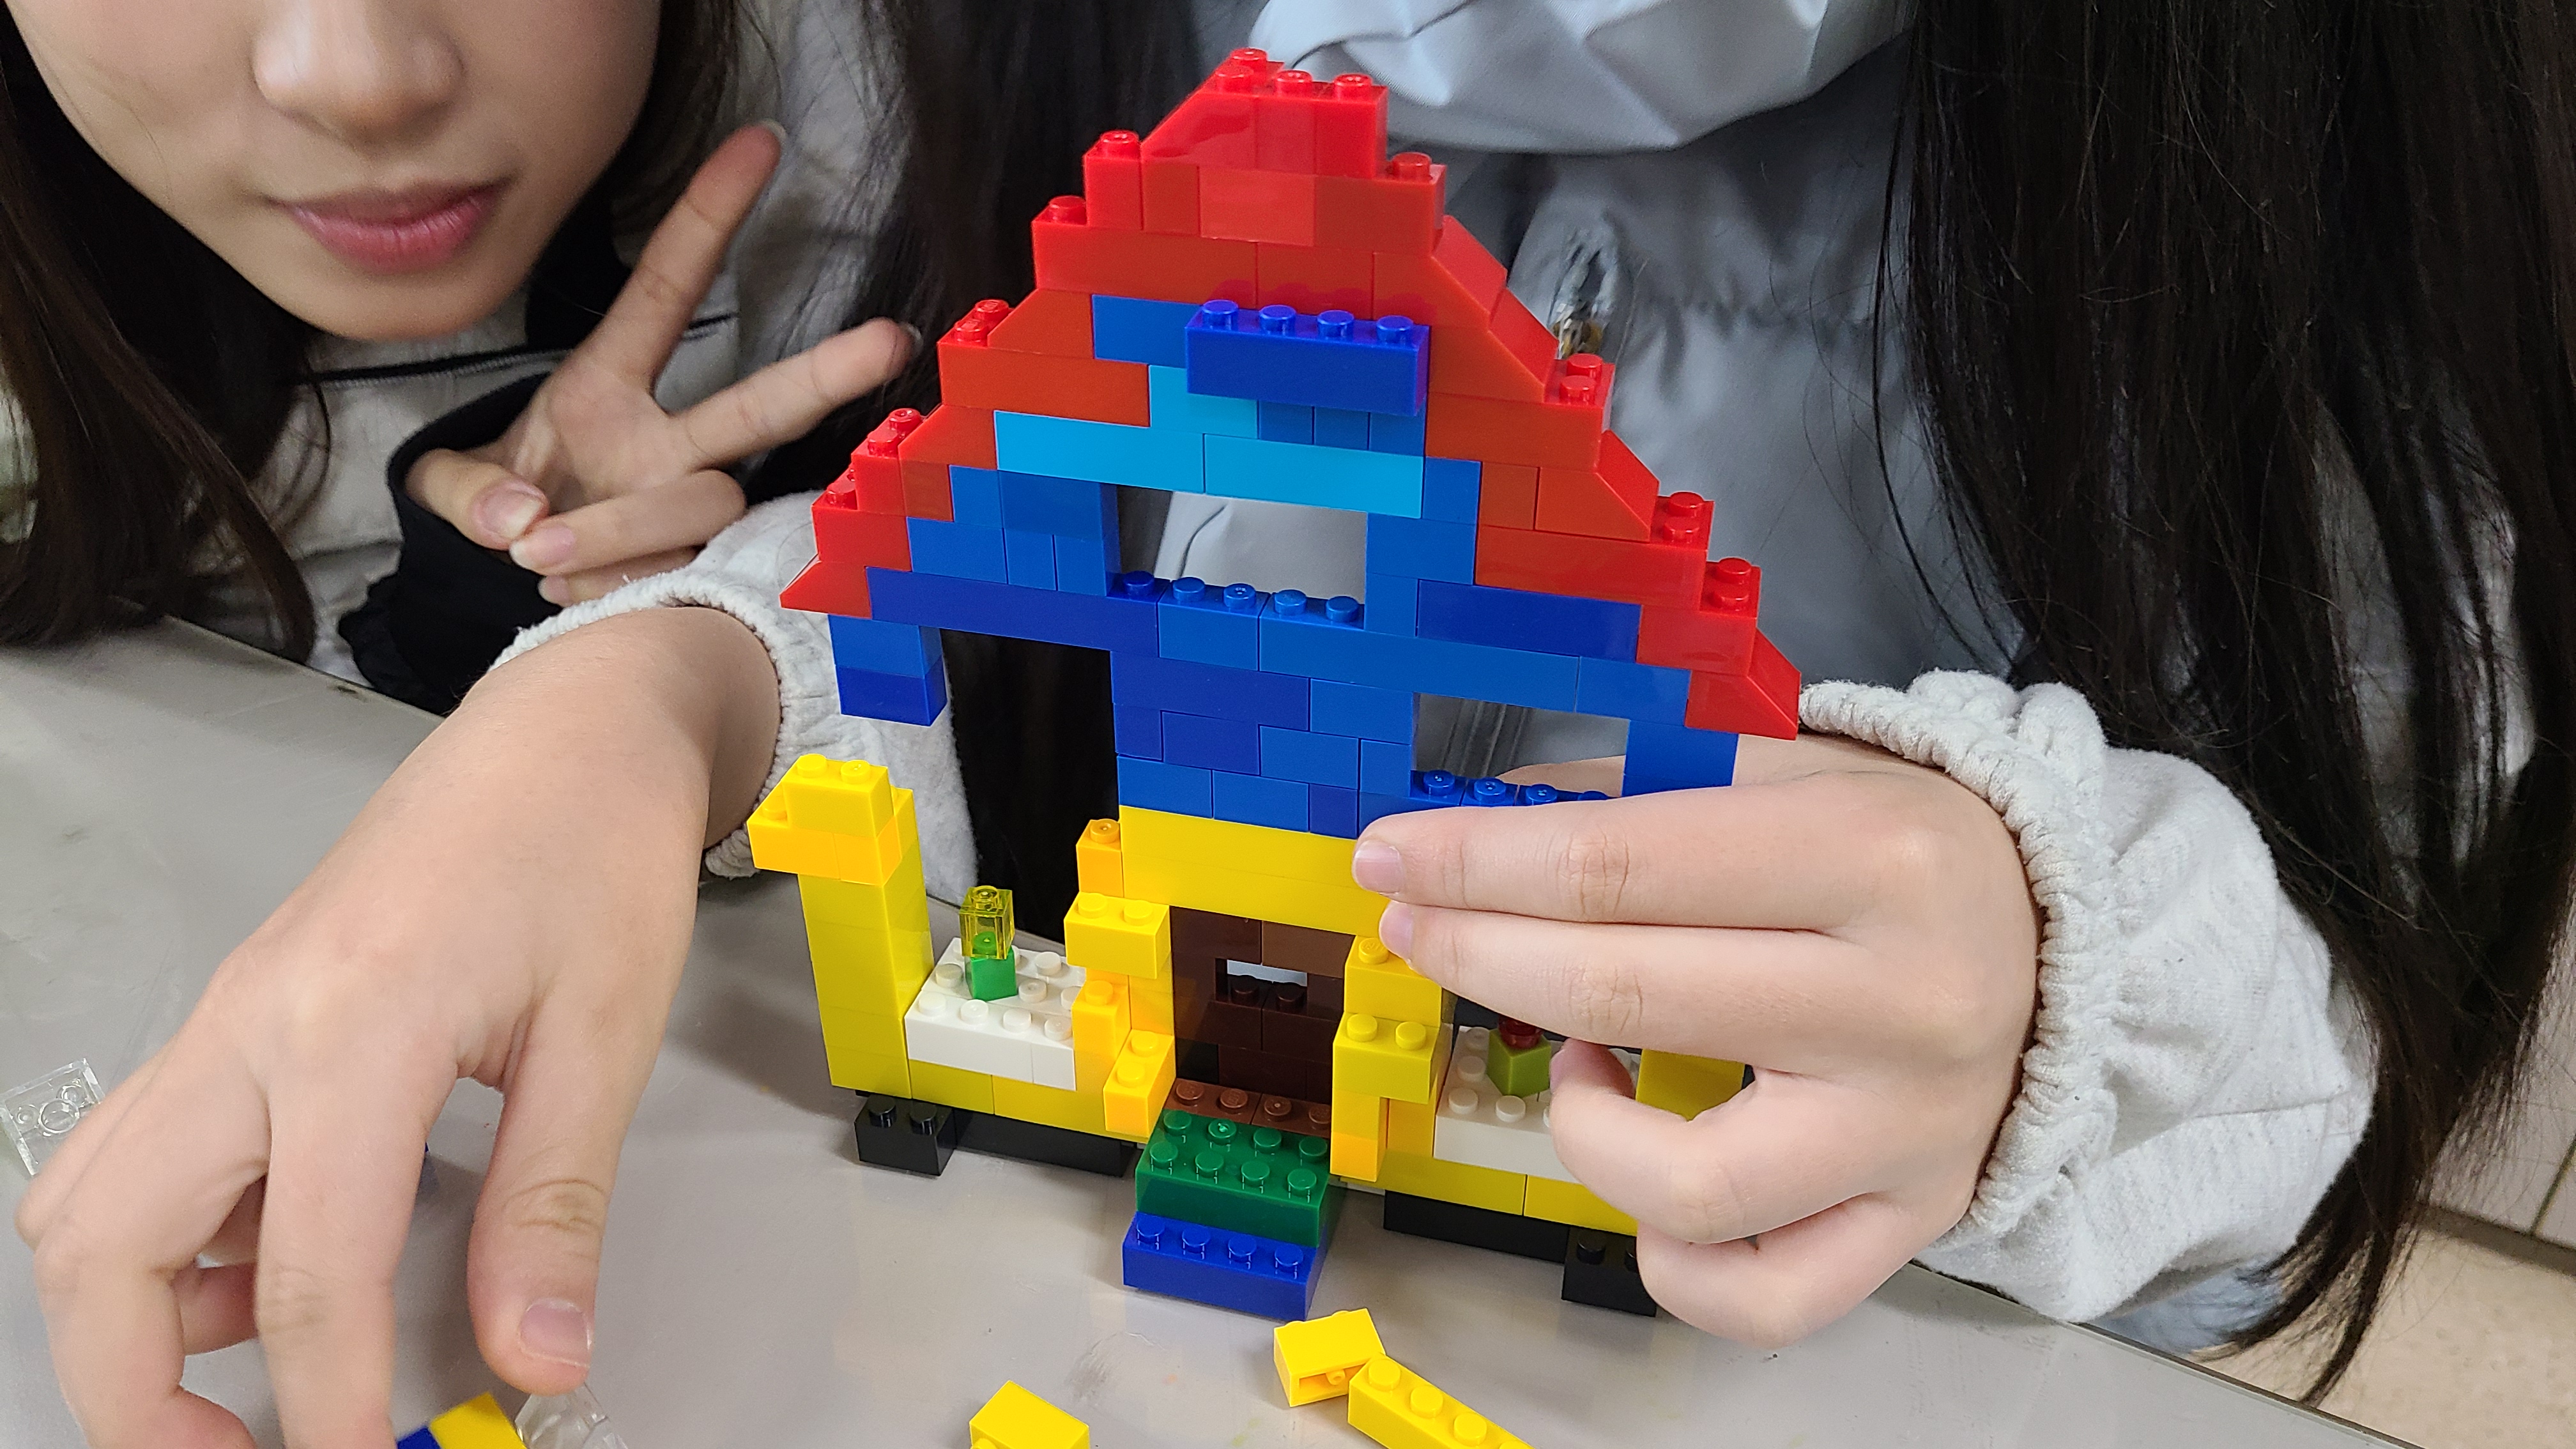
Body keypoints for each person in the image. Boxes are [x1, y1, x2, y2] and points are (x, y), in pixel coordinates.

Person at [10, 1, 2571, 1445]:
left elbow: (2326, 1025)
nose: (351, 64)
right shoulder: (956, 73)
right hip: (1125, 1193)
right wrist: (655, 674)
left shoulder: (2320, 226)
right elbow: (935, 532)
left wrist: (2051, 968)